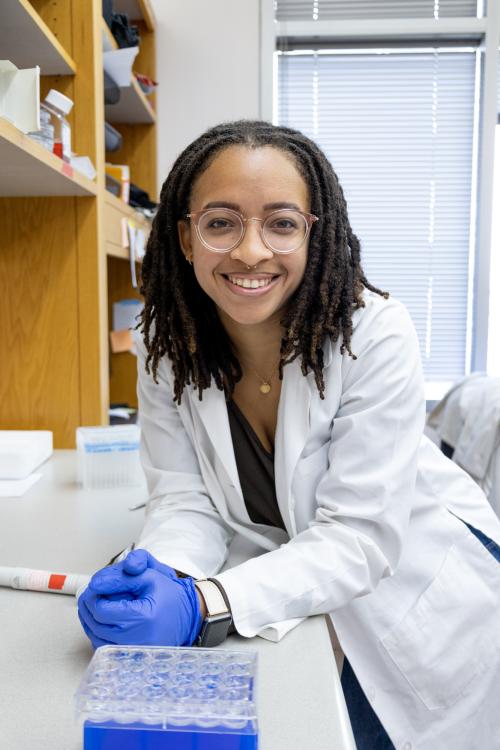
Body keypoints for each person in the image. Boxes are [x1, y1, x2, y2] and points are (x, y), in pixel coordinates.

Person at [78, 120, 500, 750]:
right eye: (221, 223)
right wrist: (159, 575)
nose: (251, 251)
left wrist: (204, 604)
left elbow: (358, 537)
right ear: (186, 238)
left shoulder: (373, 335)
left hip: (416, 582)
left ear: (312, 234)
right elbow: (185, 499)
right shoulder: (164, 347)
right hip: (302, 580)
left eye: (280, 223)